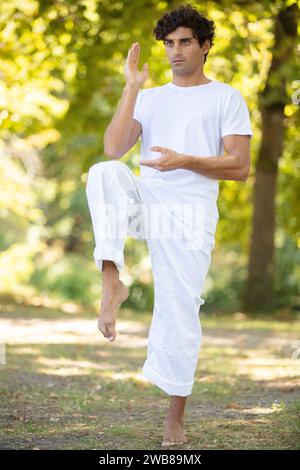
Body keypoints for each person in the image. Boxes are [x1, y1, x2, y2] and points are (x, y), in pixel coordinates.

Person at [85, 4, 253, 446]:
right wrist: (131, 89)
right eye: (169, 44)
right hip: (149, 199)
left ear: (204, 46)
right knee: (104, 173)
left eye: (184, 42)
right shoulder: (151, 96)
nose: (175, 51)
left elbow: (239, 167)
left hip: (191, 214)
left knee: (180, 312)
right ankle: (111, 281)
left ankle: (174, 418)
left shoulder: (226, 98)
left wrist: (187, 160)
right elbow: (114, 147)